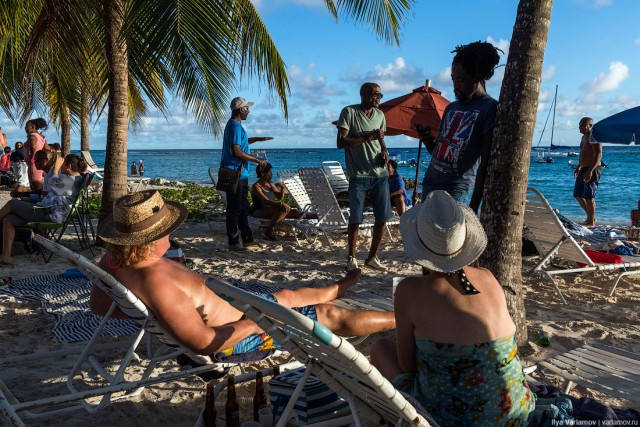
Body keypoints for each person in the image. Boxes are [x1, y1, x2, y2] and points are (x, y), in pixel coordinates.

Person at [90, 190, 396, 357]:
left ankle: (339, 286)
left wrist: (146, 313)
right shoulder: (156, 283)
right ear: (154, 235)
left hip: (242, 305)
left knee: (289, 295)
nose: (172, 233)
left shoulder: (113, 261)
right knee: (327, 315)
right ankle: (401, 318)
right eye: (167, 229)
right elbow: (204, 343)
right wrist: (254, 322)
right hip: (240, 332)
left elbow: (99, 307)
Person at [370, 190, 535, 426]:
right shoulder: (487, 277)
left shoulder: (408, 290)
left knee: (380, 347)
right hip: (515, 411)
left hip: (452, 418)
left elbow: (407, 367)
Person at [418, 41, 501, 213]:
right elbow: (440, 155)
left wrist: (473, 207)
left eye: (461, 80)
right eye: (453, 79)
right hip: (431, 183)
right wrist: (428, 141)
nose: (455, 86)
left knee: (452, 238)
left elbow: (484, 164)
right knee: (428, 237)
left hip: (458, 190)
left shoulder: (489, 109)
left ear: (477, 77)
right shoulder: (451, 108)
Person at [336, 82, 391, 272]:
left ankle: (372, 257)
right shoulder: (349, 112)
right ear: (363, 94)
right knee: (356, 218)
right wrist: (367, 138)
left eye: (380, 95)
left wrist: (385, 153)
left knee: (382, 218)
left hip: (380, 174)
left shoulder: (380, 115)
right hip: (358, 175)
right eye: (375, 94)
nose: (378, 98)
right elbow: (341, 142)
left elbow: (381, 138)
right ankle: (351, 257)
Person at [0, 153, 86, 265]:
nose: (60, 168)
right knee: (9, 219)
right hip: (46, 209)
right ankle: (6, 256)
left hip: (50, 213)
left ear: (68, 166)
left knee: (12, 204)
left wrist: (55, 169)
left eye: (62, 165)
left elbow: (53, 185)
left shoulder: (72, 181)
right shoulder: (73, 178)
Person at [220, 96, 273, 251]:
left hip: (240, 174)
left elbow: (240, 143)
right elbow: (236, 151)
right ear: (241, 109)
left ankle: (247, 239)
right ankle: (234, 242)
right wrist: (257, 160)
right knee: (235, 209)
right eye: (247, 108)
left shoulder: (233, 125)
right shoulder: (235, 126)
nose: (249, 111)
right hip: (235, 173)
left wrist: (256, 139)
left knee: (243, 208)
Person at [249, 163, 311, 241]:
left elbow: (279, 198)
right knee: (283, 209)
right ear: (262, 173)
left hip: (272, 209)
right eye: (270, 171)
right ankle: (268, 231)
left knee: (295, 212)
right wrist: (281, 204)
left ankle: (319, 217)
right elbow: (266, 201)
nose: (272, 173)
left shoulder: (271, 184)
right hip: (258, 210)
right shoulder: (256, 186)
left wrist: (282, 189)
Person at [573, 117, 602, 227]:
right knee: (577, 195)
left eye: (583, 125)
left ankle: (591, 222)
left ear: (590, 126)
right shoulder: (583, 137)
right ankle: (591, 217)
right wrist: (578, 167)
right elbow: (582, 154)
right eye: (579, 125)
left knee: (589, 196)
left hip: (592, 169)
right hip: (583, 168)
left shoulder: (594, 137)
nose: (580, 127)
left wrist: (590, 171)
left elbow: (598, 155)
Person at [23, 118, 50, 192]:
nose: (25, 129)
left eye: (26, 126)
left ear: (32, 127)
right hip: (38, 162)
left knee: (35, 185)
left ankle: (37, 201)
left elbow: (33, 146)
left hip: (33, 163)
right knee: (37, 184)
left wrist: (32, 156)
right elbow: (48, 149)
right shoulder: (41, 137)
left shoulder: (32, 136)